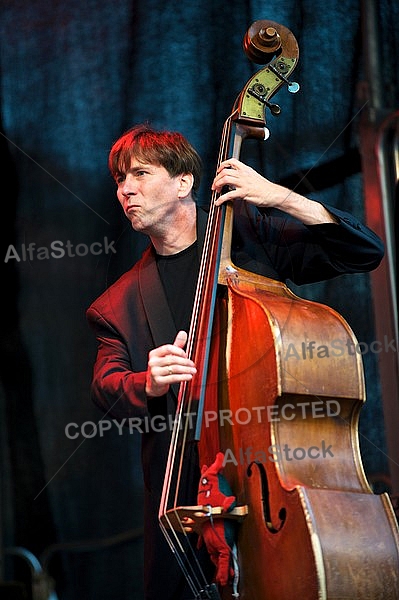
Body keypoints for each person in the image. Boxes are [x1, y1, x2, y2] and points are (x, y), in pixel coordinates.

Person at [86, 123, 384, 600]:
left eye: (139, 173)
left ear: (184, 182)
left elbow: (364, 251)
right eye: (120, 181)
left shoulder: (250, 236)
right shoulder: (115, 304)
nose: (126, 189)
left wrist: (284, 199)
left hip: (267, 481)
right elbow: (106, 385)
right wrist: (148, 381)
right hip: (182, 498)